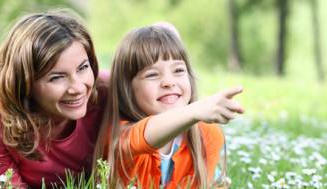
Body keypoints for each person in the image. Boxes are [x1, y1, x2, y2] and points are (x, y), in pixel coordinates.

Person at [94, 25, 244, 188]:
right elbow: (144, 136)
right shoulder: (120, 136)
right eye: (152, 74)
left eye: (178, 70)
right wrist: (194, 111)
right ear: (127, 89)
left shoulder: (206, 135)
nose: (169, 82)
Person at [0, 10, 107, 188]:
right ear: (25, 83)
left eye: (83, 67)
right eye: (56, 77)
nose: (78, 88)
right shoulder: (3, 121)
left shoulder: (106, 93)